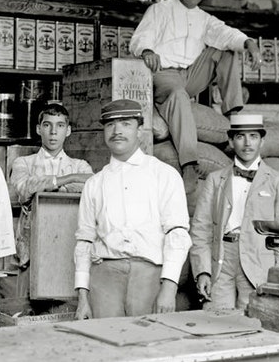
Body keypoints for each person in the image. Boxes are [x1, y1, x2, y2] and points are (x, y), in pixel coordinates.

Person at [129, 0, 263, 197]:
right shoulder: (160, 9)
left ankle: (231, 112)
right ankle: (190, 164)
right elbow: (141, 38)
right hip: (164, 74)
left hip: (191, 75)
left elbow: (226, 33)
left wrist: (249, 43)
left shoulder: (204, 19)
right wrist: (147, 51)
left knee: (226, 48)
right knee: (179, 95)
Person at [74, 99, 191, 319]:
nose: (117, 130)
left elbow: (177, 234)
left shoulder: (163, 175)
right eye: (110, 125)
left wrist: (169, 288)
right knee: (106, 345)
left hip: (150, 276)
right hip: (104, 280)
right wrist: (83, 298)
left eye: (125, 123)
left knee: (150, 345)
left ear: (140, 130)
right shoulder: (94, 183)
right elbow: (84, 242)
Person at [190, 114, 279, 313]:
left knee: (256, 320)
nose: (247, 143)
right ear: (231, 141)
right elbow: (200, 229)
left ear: (262, 141)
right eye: (240, 137)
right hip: (221, 261)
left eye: (253, 136)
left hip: (259, 262)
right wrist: (202, 271)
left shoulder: (277, 181)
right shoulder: (215, 180)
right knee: (216, 322)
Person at [10, 102, 93, 269]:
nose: (53, 132)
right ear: (38, 129)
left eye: (60, 125)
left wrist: (46, 186)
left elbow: (91, 186)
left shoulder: (80, 165)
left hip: (68, 245)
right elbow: (24, 188)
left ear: (68, 131)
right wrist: (69, 179)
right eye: (47, 125)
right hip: (30, 251)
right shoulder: (23, 163)